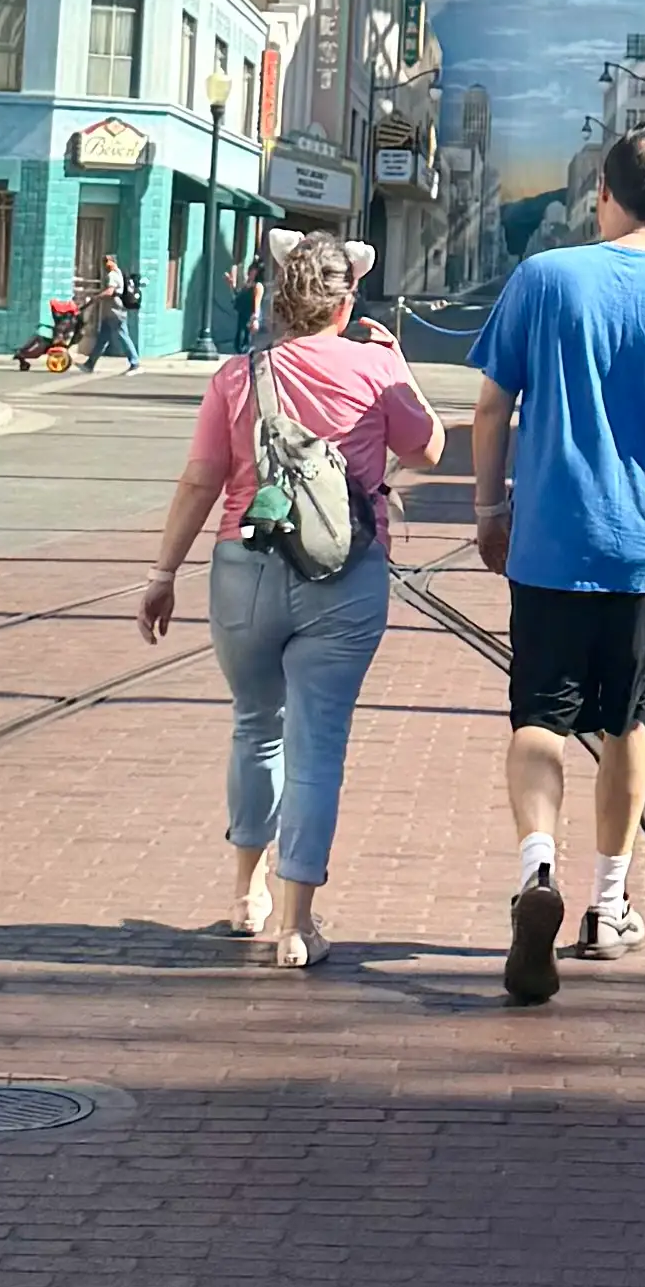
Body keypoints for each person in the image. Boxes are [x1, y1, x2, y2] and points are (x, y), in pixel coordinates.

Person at [467, 131, 645, 997]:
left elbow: (490, 409)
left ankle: (534, 872)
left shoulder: (544, 279)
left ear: (603, 193)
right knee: (629, 723)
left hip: (553, 542)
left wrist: (490, 511)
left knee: (538, 716)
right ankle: (609, 900)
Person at [138, 226, 438, 967]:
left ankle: (245, 894)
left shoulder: (237, 377)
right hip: (345, 573)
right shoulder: (374, 370)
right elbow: (428, 450)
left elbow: (200, 482)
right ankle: (295, 925)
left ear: (279, 301)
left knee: (254, 726)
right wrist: (397, 363)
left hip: (244, 565)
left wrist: (162, 573)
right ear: (345, 305)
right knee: (319, 747)